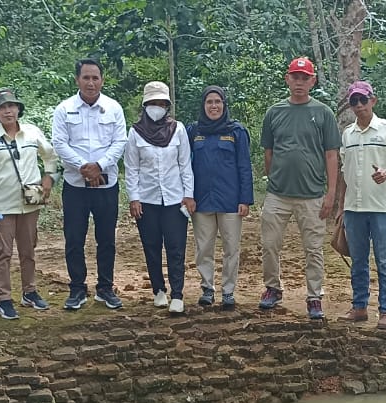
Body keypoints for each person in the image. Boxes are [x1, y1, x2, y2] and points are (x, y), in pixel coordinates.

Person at [258, 57, 340, 319]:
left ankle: (314, 296)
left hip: (312, 195)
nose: (300, 82)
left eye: (305, 78)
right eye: (295, 77)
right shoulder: (274, 112)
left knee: (313, 249)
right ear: (287, 78)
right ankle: (272, 288)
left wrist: (331, 194)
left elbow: (331, 155)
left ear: (312, 81)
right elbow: (268, 153)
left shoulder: (323, 113)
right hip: (278, 194)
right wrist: (274, 178)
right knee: (270, 244)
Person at [51, 59, 128, 311]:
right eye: (86, 77)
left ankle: (105, 288)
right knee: (74, 238)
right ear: (77, 80)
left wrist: (100, 166)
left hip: (107, 185)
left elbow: (119, 142)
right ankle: (77, 288)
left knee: (106, 238)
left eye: (95, 78)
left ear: (102, 80)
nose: (91, 82)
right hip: (75, 185)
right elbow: (60, 144)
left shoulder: (113, 108)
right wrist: (85, 167)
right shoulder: (64, 110)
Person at [0, 88, 58, 320]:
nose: (7, 111)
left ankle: (29, 291)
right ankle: (3, 299)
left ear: (18, 108)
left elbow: (50, 156)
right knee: (2, 252)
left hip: (30, 203)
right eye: (2, 107)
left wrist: (49, 178)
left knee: (28, 249)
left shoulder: (32, 133)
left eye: (11, 106)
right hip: (1, 205)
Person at [334, 81, 386, 330]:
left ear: (372, 101)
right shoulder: (348, 134)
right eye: (353, 101)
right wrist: (341, 206)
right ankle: (359, 306)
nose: (358, 106)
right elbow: (344, 172)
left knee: (385, 260)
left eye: (362, 100)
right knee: (358, 260)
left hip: (382, 207)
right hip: (354, 208)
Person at [123, 81, 195, 315]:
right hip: (147, 200)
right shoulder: (135, 133)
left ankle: (177, 294)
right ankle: (158, 291)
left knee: (176, 247)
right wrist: (134, 198)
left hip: (174, 200)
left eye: (161, 103)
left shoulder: (178, 129)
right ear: (145, 105)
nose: (157, 107)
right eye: (153, 103)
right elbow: (131, 168)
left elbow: (185, 164)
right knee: (151, 246)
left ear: (168, 105)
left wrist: (188, 195)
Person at [189, 86, 253, 309]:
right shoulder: (194, 131)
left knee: (231, 247)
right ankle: (207, 288)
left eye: (218, 102)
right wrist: (188, 196)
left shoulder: (236, 132)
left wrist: (245, 199)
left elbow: (244, 166)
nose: (213, 106)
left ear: (224, 105)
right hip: (201, 200)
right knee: (204, 247)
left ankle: (228, 291)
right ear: (203, 105)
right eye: (209, 102)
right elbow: (185, 165)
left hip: (230, 201)